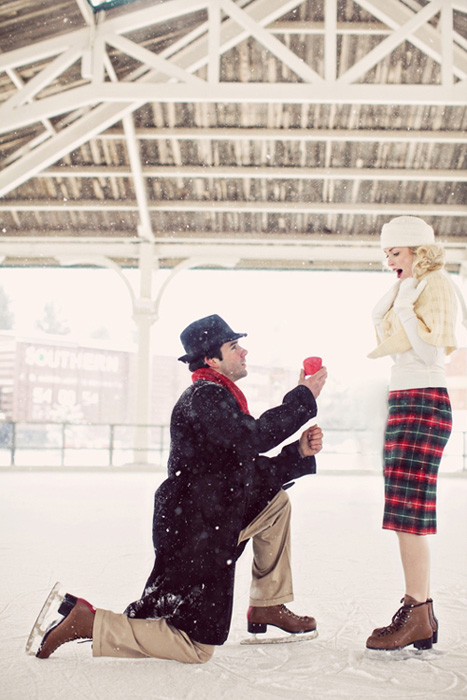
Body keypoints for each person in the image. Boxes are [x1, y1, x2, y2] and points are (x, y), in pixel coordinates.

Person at [28, 314, 327, 663]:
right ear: (212, 360)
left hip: (209, 517)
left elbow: (243, 469)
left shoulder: (218, 397)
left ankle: (268, 605)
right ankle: (89, 623)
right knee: (196, 645)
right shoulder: (204, 398)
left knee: (276, 504)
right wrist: (303, 398)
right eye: (234, 347)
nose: (243, 351)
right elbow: (252, 438)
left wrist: (297, 453)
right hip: (196, 532)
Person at [365, 216, 463, 652]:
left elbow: (429, 349)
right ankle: (419, 611)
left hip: (423, 399)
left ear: (418, 251)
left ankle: (418, 612)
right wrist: (399, 295)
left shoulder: (435, 284)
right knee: (406, 511)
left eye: (396, 253)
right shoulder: (413, 284)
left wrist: (403, 303)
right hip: (408, 399)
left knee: (410, 513)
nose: (389, 261)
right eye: (386, 254)